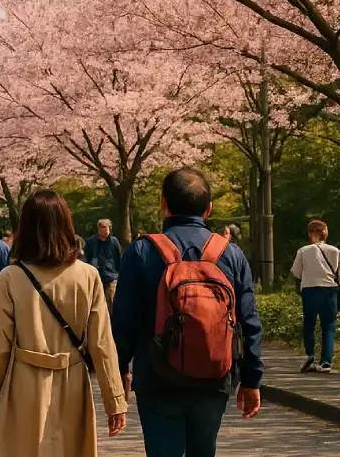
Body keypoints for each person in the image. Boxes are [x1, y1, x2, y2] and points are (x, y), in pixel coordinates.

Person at [112, 168, 264, 457]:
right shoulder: (230, 254)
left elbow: (124, 321)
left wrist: (118, 370)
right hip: (213, 376)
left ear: (163, 203)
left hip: (157, 378)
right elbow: (248, 321)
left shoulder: (142, 251)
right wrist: (251, 378)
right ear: (209, 208)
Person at [0, 190, 127, 456]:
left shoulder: (11, 277)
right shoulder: (88, 276)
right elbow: (102, 344)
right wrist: (114, 400)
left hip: (24, 384)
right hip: (73, 382)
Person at [292, 219, 340, 373]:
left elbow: (296, 272)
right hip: (329, 290)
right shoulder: (335, 251)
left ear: (311, 233)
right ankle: (326, 362)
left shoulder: (303, 251)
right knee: (328, 325)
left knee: (309, 324)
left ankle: (310, 356)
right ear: (324, 232)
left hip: (310, 290)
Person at [83, 218, 123, 311]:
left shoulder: (114, 241)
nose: (105, 230)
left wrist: (119, 275)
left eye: (107, 228)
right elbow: (86, 258)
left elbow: (119, 258)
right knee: (95, 304)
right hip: (95, 276)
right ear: (98, 228)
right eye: (103, 228)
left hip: (111, 277)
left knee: (111, 302)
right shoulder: (90, 242)